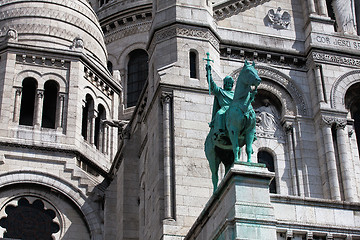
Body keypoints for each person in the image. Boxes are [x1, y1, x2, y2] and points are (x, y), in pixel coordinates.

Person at [206, 65, 234, 138]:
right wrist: (209, 74)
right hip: (224, 109)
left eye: (230, 84)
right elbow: (212, 85)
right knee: (219, 113)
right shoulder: (220, 92)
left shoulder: (235, 94)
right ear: (224, 84)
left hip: (234, 109)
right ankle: (221, 131)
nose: (229, 85)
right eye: (227, 83)